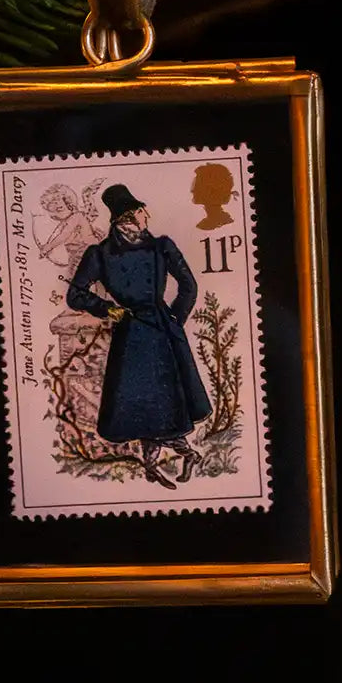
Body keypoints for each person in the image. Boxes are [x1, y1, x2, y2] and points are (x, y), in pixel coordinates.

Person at [66, 183, 211, 488]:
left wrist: (174, 320)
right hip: (131, 335)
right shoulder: (99, 254)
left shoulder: (163, 246)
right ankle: (168, 461)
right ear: (131, 216)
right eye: (142, 210)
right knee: (143, 405)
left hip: (162, 332)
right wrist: (106, 309)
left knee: (165, 401)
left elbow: (189, 286)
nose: (147, 215)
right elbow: (76, 294)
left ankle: (166, 461)